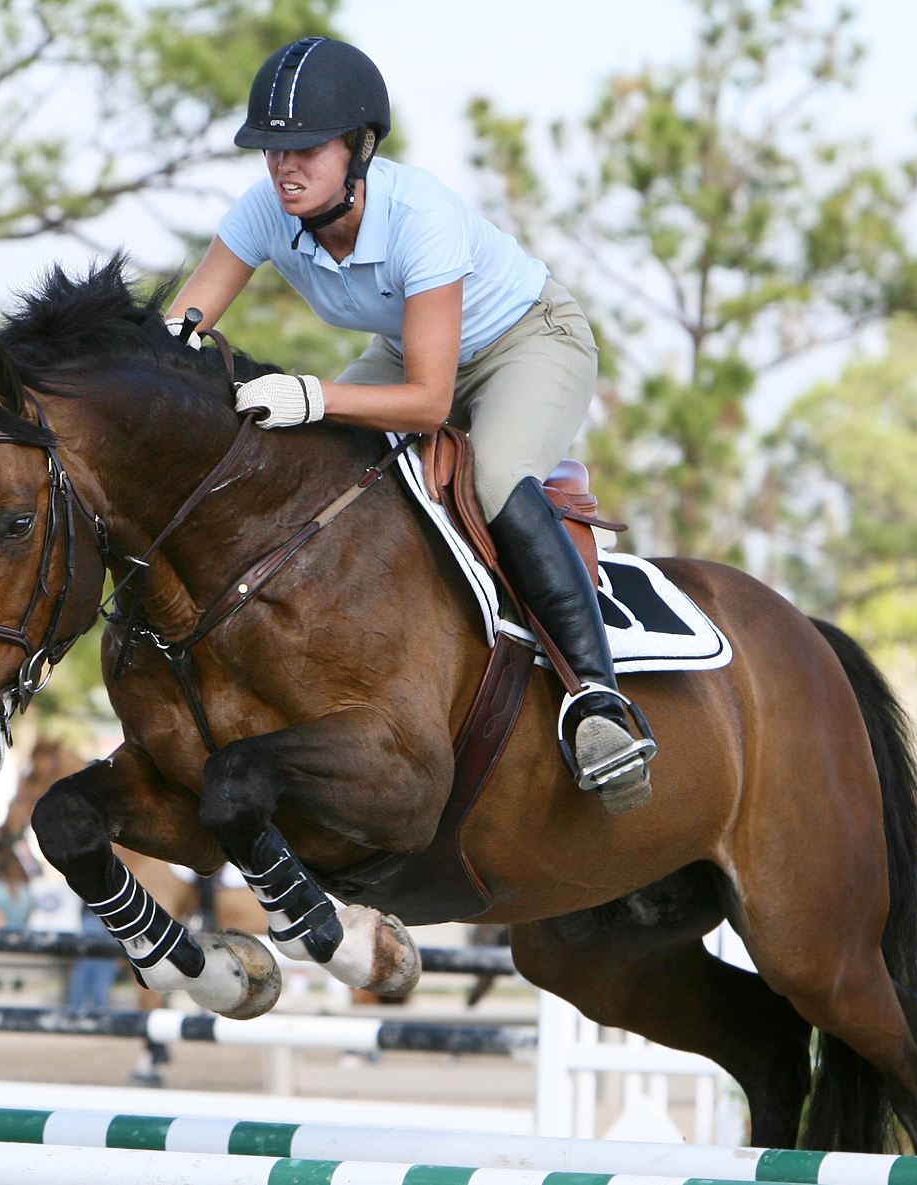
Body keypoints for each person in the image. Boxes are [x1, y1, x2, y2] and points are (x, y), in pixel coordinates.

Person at [167, 36, 654, 812]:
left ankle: (598, 701)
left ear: (358, 149)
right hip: (412, 348)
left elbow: (430, 402)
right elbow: (184, 323)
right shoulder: (265, 210)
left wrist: (315, 394)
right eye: (271, 150)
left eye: (305, 149)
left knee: (491, 476)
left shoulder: (418, 214)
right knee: (304, 457)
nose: (284, 168)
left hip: (528, 342)